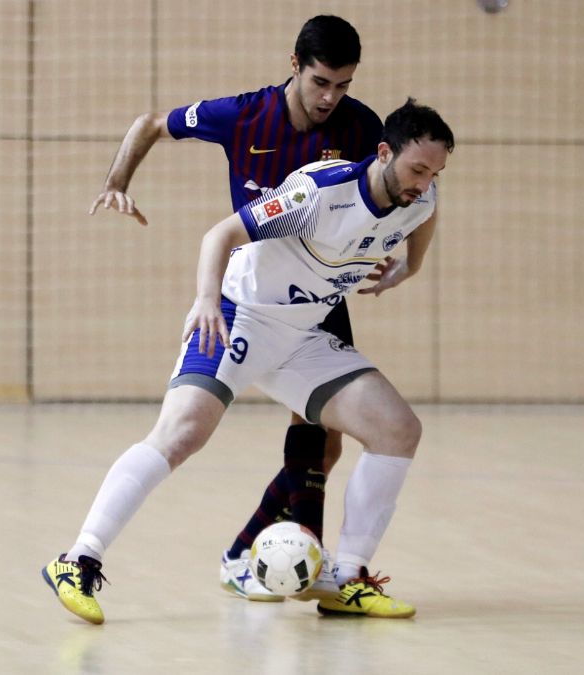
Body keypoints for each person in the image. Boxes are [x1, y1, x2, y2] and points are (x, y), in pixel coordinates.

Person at [43, 99, 455, 624]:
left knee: (399, 429)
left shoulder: (420, 197)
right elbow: (221, 234)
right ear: (382, 153)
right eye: (418, 168)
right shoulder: (319, 191)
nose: (425, 182)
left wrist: (409, 269)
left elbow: (426, 213)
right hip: (239, 316)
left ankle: (347, 578)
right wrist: (207, 300)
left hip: (302, 336)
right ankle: (77, 560)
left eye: (435, 171)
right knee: (180, 433)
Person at [87, 15, 384, 603]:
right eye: (322, 81)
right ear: (294, 65)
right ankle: (295, 566)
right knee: (187, 428)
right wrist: (116, 181)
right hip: (249, 297)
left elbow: (395, 190)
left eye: (343, 85)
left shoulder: (360, 126)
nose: (331, 97)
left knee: (326, 441)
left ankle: (249, 556)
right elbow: (149, 123)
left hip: (318, 296)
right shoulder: (243, 115)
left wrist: (391, 255)